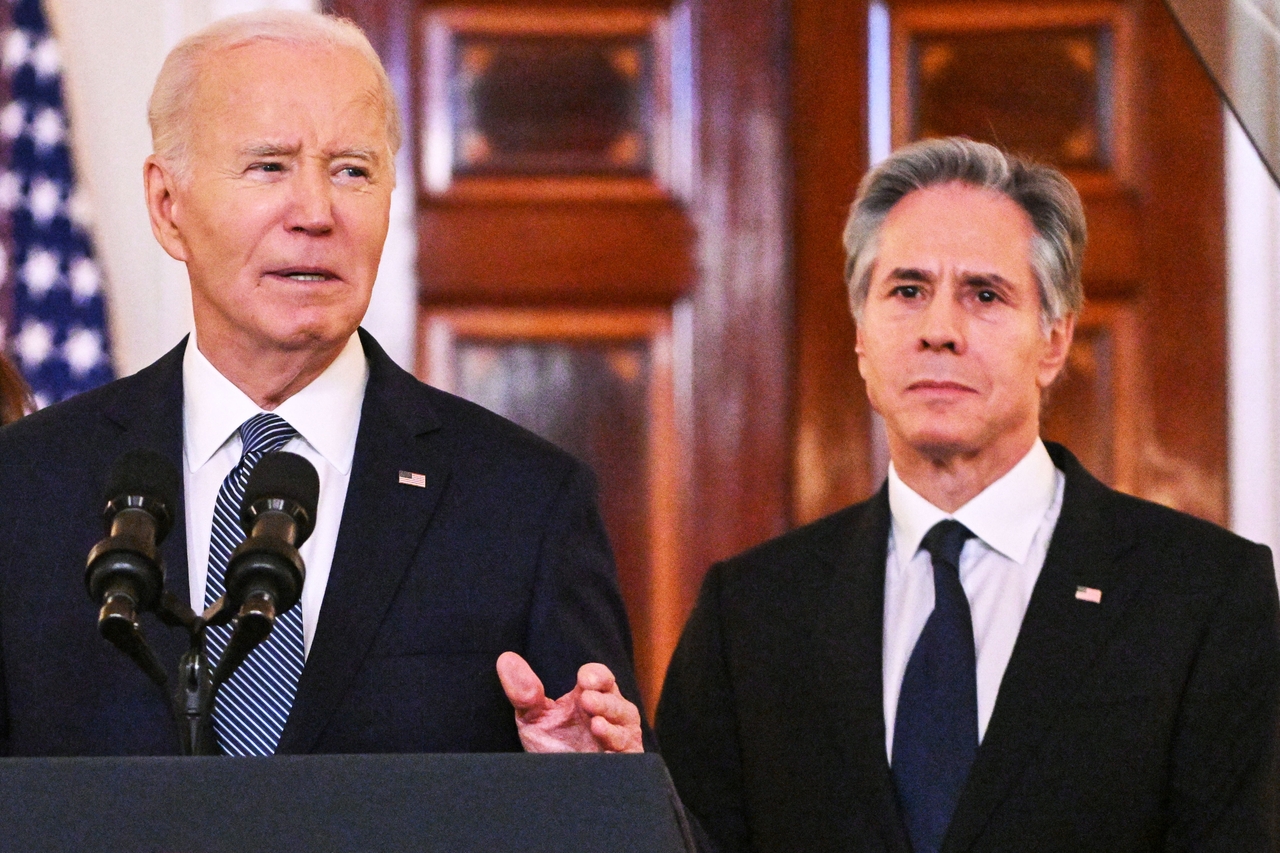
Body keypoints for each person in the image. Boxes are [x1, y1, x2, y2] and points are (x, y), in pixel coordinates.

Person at [0, 10, 643, 757]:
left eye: (352, 171)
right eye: (269, 165)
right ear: (167, 205)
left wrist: (589, 796)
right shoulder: (25, 488)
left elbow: (633, 813)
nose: (315, 213)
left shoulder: (525, 505)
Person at [656, 137, 1280, 852]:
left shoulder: (1201, 595)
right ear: (862, 336)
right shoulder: (751, 612)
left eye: (984, 294)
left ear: (1054, 340)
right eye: (908, 290)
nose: (939, 330)